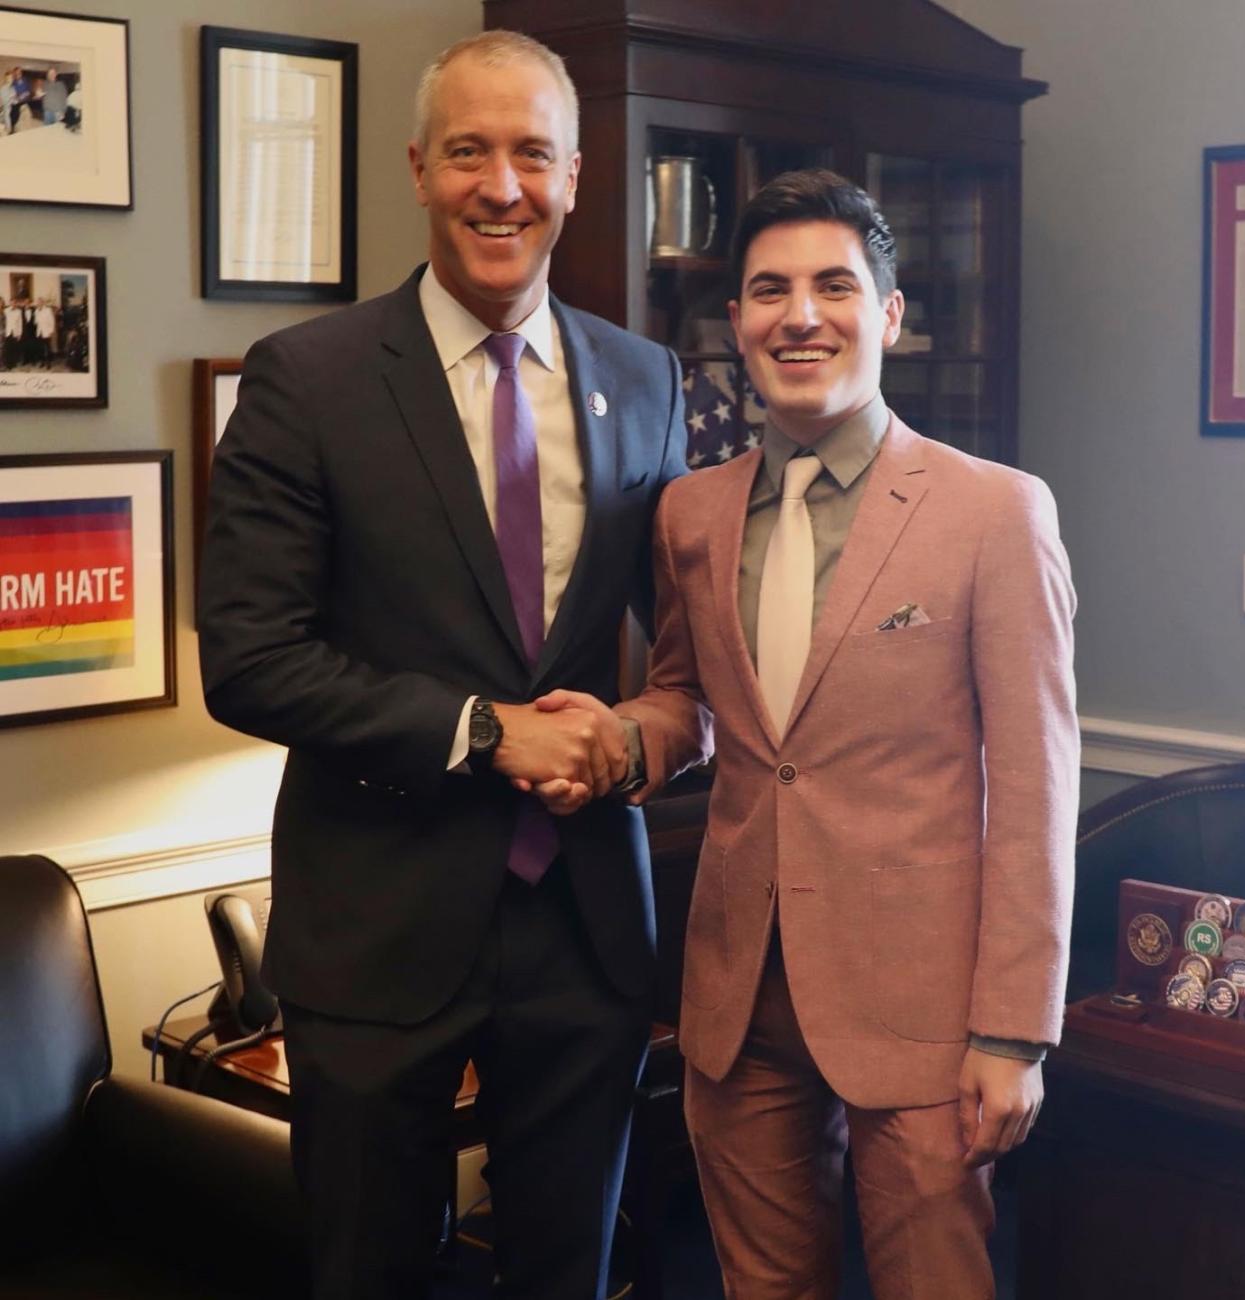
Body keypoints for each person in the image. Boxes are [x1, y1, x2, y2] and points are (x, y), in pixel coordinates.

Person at [197, 30, 697, 1300]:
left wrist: (636, 733)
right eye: (468, 151)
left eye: (531, 152)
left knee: (567, 1274)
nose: (501, 185)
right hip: (376, 927)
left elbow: (694, 643)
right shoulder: (307, 380)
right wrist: (485, 729)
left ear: (577, 176)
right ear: (419, 170)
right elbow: (250, 662)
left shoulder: (644, 381)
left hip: (585, 931)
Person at [559, 169, 1077, 1299]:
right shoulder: (690, 514)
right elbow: (690, 704)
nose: (800, 314)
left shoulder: (994, 511)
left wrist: (1013, 1034)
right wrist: (614, 740)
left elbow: (1038, 787)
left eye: (834, 286)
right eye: (768, 290)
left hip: (929, 1014)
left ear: (887, 315)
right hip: (737, 998)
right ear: (735, 321)